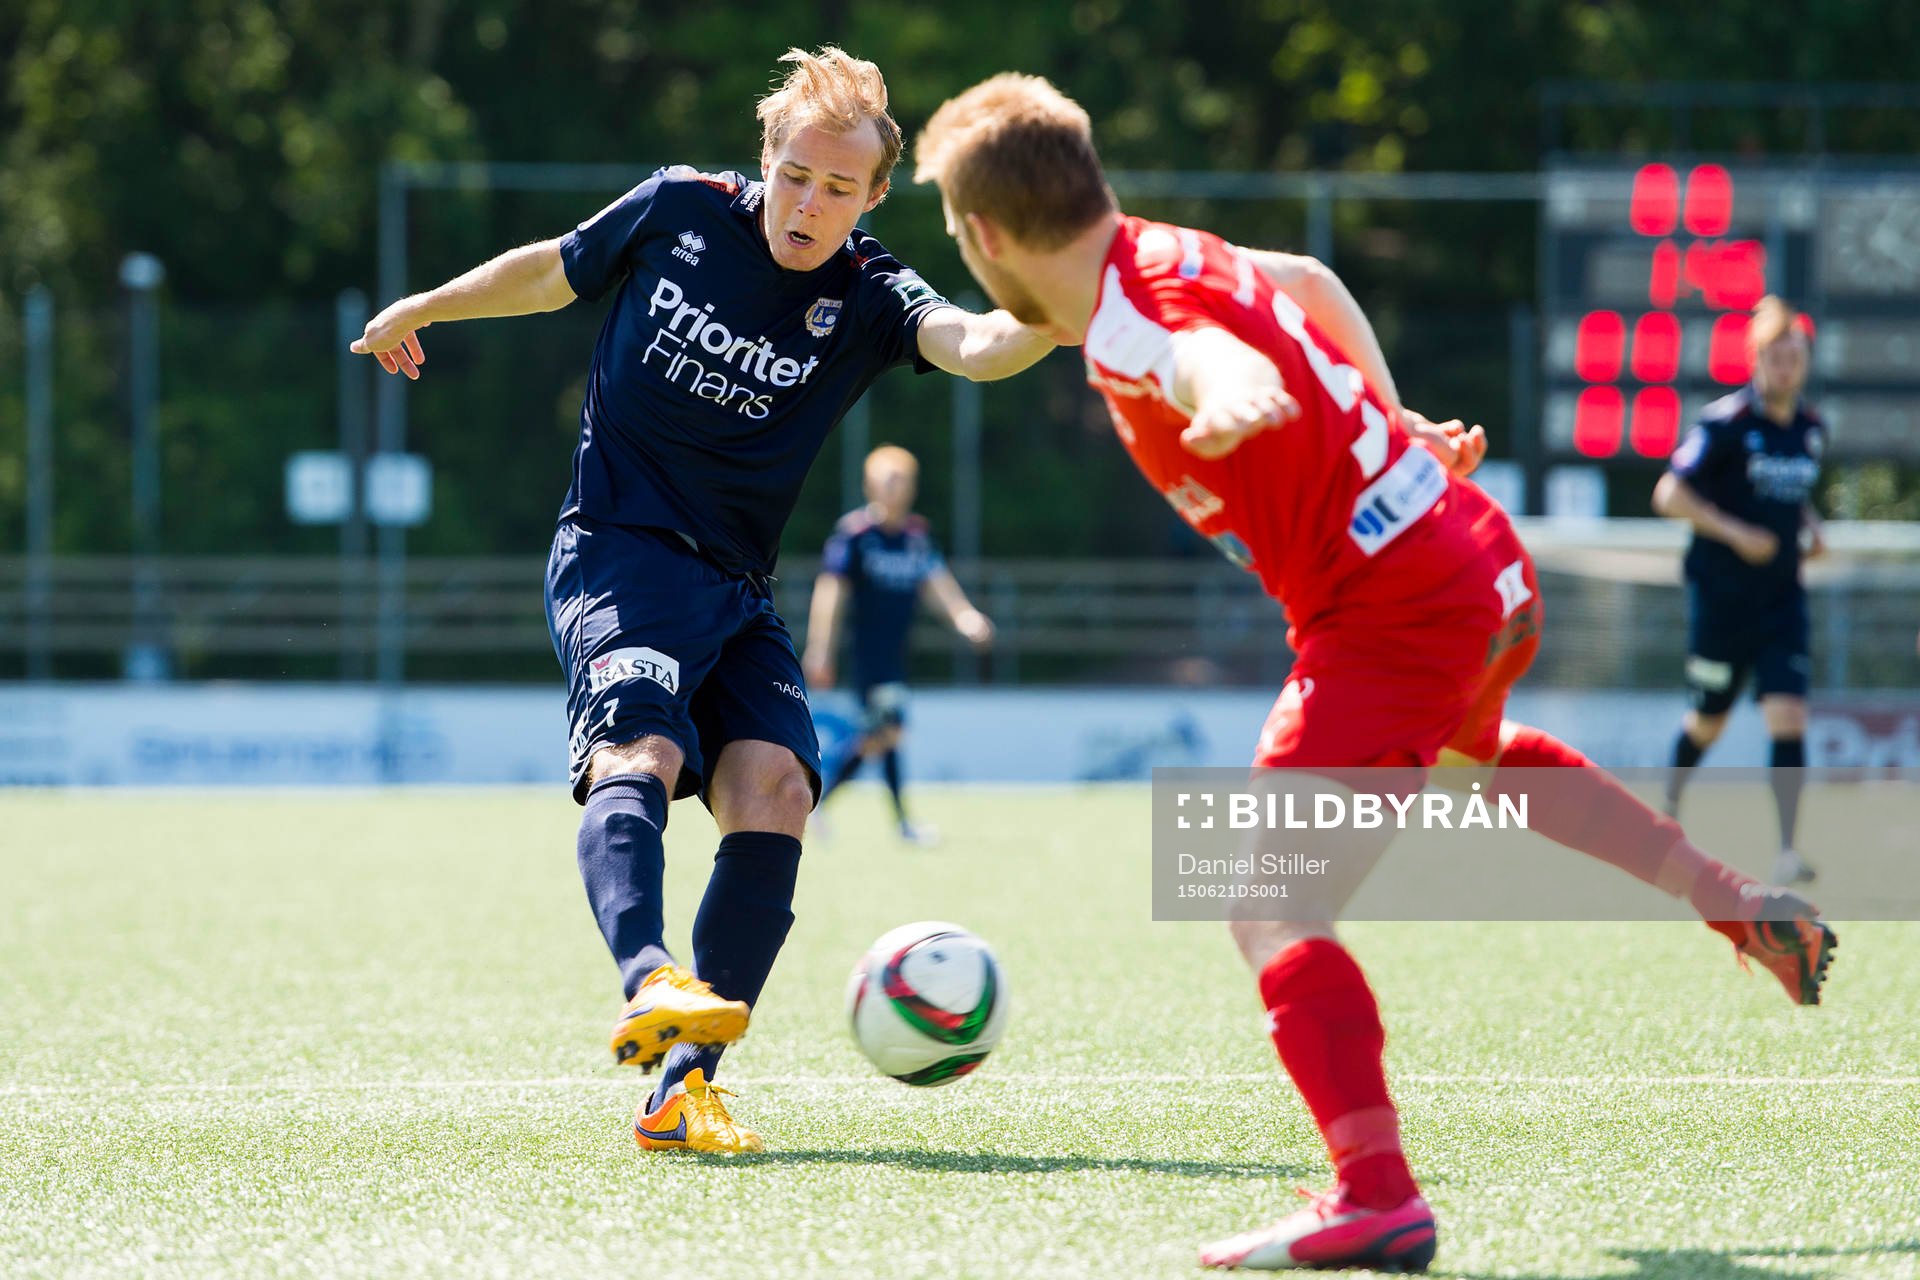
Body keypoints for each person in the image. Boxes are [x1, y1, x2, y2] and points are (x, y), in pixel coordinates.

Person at [913, 73, 1837, 1273]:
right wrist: (1393, 425)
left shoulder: (1135, 323)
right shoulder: (1165, 247)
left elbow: (1193, 357)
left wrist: (1230, 391)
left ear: (985, 235)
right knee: (1476, 760)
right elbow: (1307, 279)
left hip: (1393, 610)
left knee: (1266, 900)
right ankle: (1728, 895)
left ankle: (1376, 1191)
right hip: (1474, 557)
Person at [349, 47, 1052, 1156]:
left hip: (735, 585)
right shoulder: (676, 208)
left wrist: (1053, 303)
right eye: (794, 175)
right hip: (618, 549)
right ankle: (649, 978)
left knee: (777, 787)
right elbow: (553, 271)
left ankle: (683, 1089)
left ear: (874, 197)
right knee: (641, 751)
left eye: (837, 188)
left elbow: (972, 344)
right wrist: (427, 305)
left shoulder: (870, 295)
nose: (807, 203)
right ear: (764, 160)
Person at [1654, 297, 1826, 885]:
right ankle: (1668, 808)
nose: (1786, 367)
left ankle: (1787, 851)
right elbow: (1668, 494)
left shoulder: (1810, 429)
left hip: (1782, 602)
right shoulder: (1724, 424)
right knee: (1709, 720)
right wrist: (1735, 533)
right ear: (1756, 359)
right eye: (1776, 356)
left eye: (1794, 356)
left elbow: (1788, 494)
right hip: (1723, 601)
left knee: (1789, 715)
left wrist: (1809, 526)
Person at [804, 444, 993, 845]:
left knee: (882, 735)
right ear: (869, 485)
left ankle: (823, 805)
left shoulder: (916, 538)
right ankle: (900, 824)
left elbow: (938, 584)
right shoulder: (855, 535)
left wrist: (966, 617)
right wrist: (820, 647)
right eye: (888, 480)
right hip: (867, 653)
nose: (895, 488)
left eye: (902, 480)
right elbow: (830, 592)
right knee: (888, 729)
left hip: (897, 653)